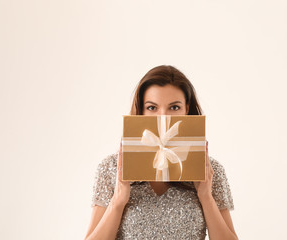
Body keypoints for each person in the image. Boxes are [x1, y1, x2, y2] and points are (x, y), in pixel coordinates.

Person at [84, 65, 238, 240]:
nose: (163, 117)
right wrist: (118, 201)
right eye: (152, 108)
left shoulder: (210, 170)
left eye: (174, 107)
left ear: (187, 109)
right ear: (140, 111)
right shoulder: (111, 168)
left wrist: (206, 197)